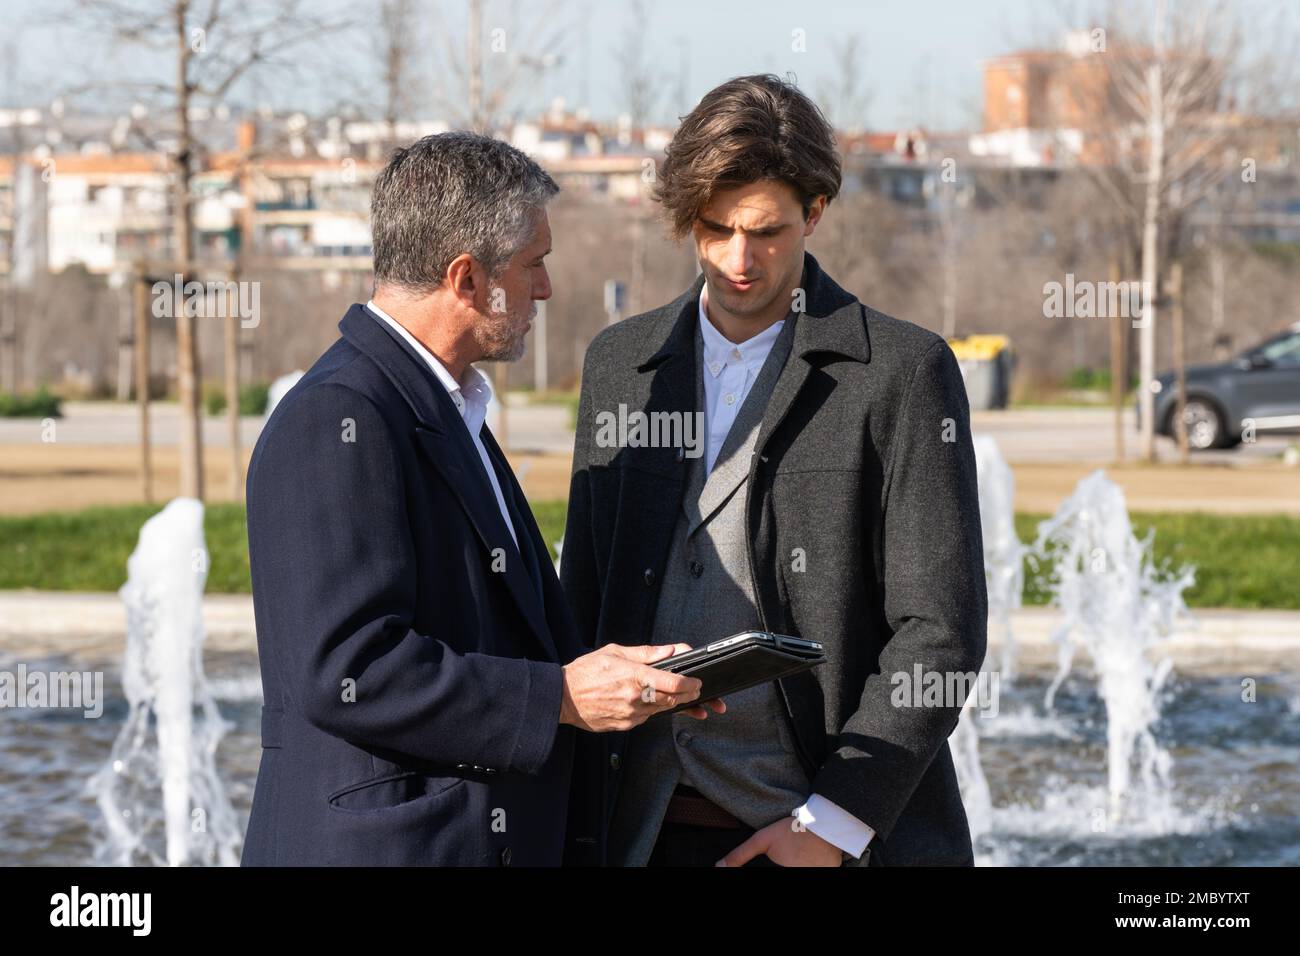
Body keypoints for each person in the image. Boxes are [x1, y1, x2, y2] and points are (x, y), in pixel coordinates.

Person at [241, 131, 721, 867]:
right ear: (468, 279)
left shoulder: (443, 407)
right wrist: (558, 697)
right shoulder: (339, 418)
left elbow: (491, 632)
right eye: (535, 265)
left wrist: (621, 682)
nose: (547, 289)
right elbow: (347, 671)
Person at [560, 75, 988, 867]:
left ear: (815, 213)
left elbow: (942, 633)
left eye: (766, 231)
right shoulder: (620, 364)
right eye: (714, 228)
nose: (737, 259)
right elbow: (583, 600)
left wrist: (834, 822)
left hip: (821, 834)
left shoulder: (902, 369)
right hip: (634, 830)